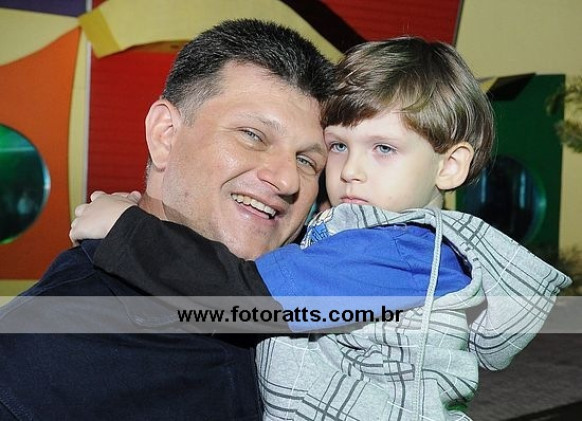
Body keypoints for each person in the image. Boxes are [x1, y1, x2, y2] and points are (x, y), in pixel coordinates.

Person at [70, 38, 571, 420]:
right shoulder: (360, 235)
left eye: (384, 148)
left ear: (450, 166)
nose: (351, 170)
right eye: (338, 146)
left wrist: (126, 230)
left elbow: (246, 298)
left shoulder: (401, 252)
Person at [0, 19, 336, 420]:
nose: (286, 180)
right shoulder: (32, 358)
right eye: (252, 135)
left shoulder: (319, 322)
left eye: (307, 161)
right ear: (165, 135)